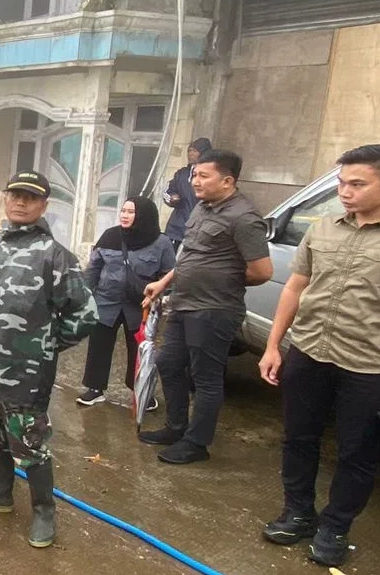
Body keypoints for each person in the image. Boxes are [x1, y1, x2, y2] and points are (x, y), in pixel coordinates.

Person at [257, 145, 380, 566]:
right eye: (341, 183)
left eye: (357, 184)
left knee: (359, 452)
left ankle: (335, 526)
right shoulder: (322, 228)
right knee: (298, 438)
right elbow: (295, 287)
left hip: (371, 365)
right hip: (309, 352)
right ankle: (298, 513)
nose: (345, 192)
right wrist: (272, 345)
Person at [0, 171, 96, 548]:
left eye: (30, 197)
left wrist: (43, 346)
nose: (20, 202)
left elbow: (85, 314)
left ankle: (43, 512)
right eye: (15, 194)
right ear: (5, 198)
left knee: (30, 442)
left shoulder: (54, 254)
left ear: (43, 206)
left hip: (25, 373)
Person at [142, 149, 273, 464]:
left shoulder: (243, 217)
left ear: (227, 180)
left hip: (214, 310)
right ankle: (176, 427)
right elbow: (191, 254)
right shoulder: (202, 208)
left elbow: (262, 271)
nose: (194, 181)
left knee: (205, 378)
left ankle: (196, 443)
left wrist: (222, 280)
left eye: (203, 175)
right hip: (184, 303)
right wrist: (164, 282)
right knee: (169, 363)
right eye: (194, 174)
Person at [77, 196, 176, 407]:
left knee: (139, 350)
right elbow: (93, 269)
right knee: (99, 346)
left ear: (143, 215)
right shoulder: (110, 236)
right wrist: (85, 296)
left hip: (140, 307)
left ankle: (139, 391)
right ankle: (95, 388)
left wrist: (158, 296)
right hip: (106, 302)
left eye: (131, 212)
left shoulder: (161, 242)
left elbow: (169, 275)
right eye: (123, 210)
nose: (124, 215)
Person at [163, 138, 211, 249]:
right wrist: (172, 198)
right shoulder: (181, 174)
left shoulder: (211, 177)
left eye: (195, 151)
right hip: (176, 229)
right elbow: (166, 191)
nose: (190, 154)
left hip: (200, 231)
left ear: (204, 154)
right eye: (189, 151)